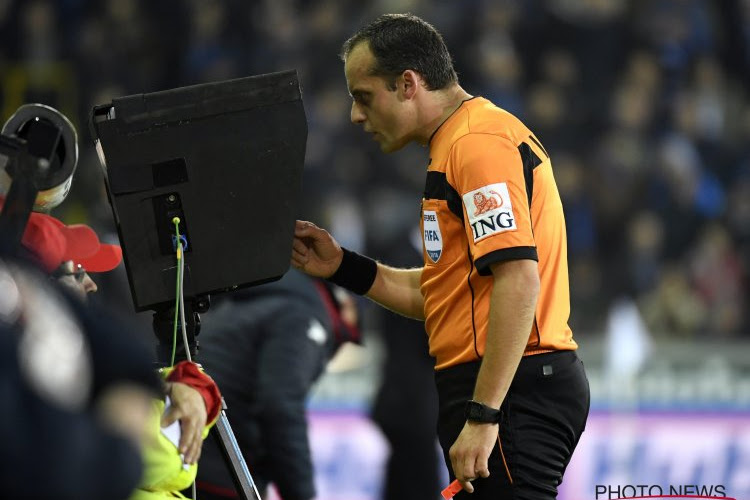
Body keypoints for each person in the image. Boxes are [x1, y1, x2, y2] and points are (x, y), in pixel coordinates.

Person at [291, 13, 590, 499]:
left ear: (408, 84)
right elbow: (442, 293)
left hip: (514, 391)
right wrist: (342, 265)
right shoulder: (457, 144)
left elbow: (518, 278)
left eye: (364, 97)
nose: (355, 116)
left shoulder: (476, 145)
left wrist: (486, 412)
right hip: (501, 388)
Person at [11, 207, 222, 499]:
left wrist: (194, 388)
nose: (92, 284)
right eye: (78, 272)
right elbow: (166, 451)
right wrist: (186, 394)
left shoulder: (75, 356)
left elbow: (160, 381)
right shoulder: (42, 373)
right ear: (37, 289)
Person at [193, 269, 361, 500]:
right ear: (347, 303)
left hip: (189, 452)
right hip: (221, 465)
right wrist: (302, 494)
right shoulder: (303, 315)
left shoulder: (263, 300)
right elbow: (281, 407)